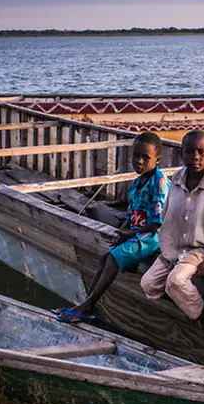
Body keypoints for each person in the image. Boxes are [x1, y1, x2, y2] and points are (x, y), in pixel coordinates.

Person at [55, 132, 169, 323]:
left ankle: (88, 306)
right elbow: (132, 214)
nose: (139, 161)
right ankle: (85, 304)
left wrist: (130, 233)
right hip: (137, 233)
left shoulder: (158, 183)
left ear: (157, 160)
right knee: (104, 259)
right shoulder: (137, 182)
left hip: (152, 236)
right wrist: (123, 231)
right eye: (136, 156)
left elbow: (158, 222)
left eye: (145, 158)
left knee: (113, 259)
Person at [139, 130, 204, 325]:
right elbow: (168, 214)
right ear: (182, 154)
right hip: (174, 247)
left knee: (176, 282)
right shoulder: (179, 177)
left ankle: (201, 316)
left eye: (201, 152)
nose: (195, 157)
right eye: (189, 152)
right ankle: (184, 303)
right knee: (147, 284)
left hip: (198, 249)